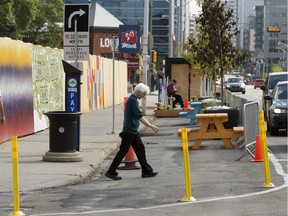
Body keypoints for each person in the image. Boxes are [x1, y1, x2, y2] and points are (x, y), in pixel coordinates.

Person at [105, 83, 160, 180]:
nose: (144, 96)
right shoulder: (132, 100)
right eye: (144, 94)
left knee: (140, 150)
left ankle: (146, 171)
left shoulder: (132, 99)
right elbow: (139, 116)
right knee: (123, 152)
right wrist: (151, 126)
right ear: (138, 92)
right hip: (130, 131)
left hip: (132, 130)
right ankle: (111, 171)